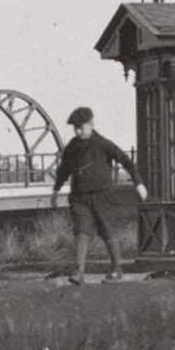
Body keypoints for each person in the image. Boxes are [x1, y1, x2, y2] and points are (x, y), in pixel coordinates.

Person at [51, 107, 147, 284]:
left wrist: (138, 183)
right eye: (75, 128)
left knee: (106, 230)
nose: (78, 131)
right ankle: (78, 272)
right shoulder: (71, 147)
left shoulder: (103, 144)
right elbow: (63, 170)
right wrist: (56, 191)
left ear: (91, 124)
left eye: (81, 127)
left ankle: (117, 268)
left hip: (102, 196)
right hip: (79, 198)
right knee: (81, 232)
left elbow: (126, 162)